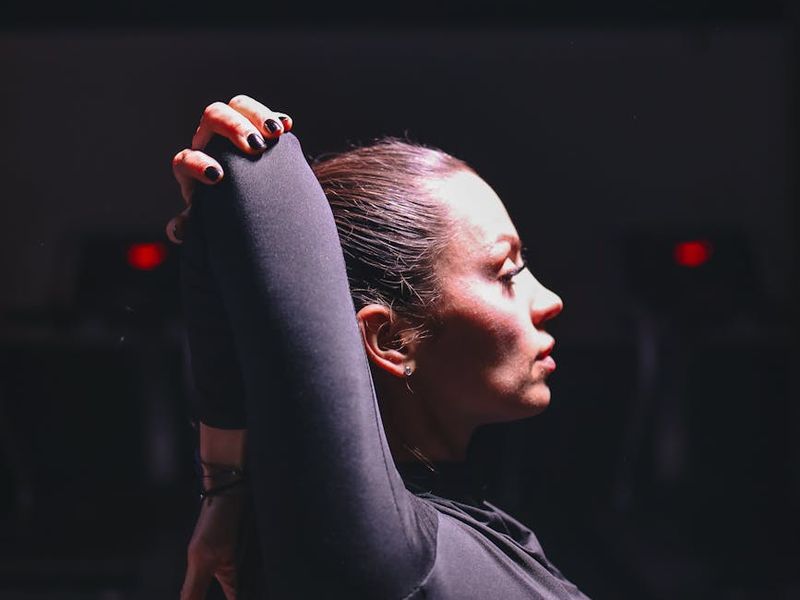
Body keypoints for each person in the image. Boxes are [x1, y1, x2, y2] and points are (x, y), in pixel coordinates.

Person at [170, 94, 588, 599]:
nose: (552, 300)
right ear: (391, 340)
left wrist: (225, 484)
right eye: (507, 273)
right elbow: (256, 171)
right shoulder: (389, 557)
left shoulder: (476, 534)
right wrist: (236, 170)